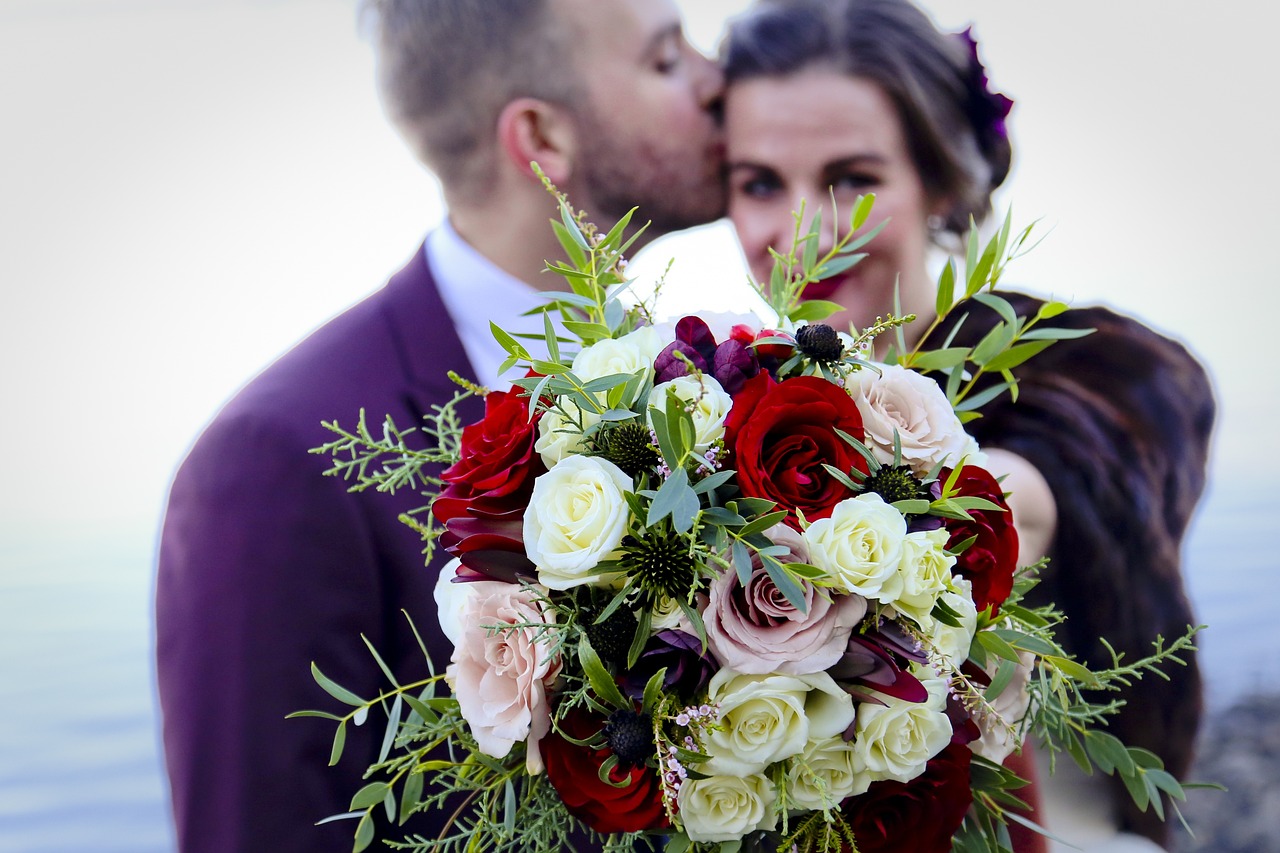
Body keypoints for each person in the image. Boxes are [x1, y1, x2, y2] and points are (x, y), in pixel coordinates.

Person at [153, 2, 724, 851]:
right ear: (542, 137)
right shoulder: (278, 459)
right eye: (667, 60)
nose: (719, 83)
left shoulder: (699, 391)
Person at [719, 0, 1213, 850]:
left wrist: (970, 508)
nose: (804, 231)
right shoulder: (721, 402)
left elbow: (1062, 473)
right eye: (761, 182)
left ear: (940, 180)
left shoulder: (1104, 365)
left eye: (854, 178)